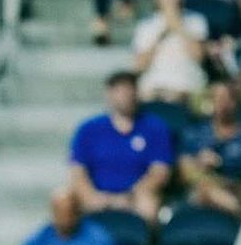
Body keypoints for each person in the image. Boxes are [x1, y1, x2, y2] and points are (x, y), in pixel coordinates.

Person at [69, 70, 173, 224]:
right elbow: (78, 172)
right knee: (64, 199)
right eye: (120, 90)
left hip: (136, 196)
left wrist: (131, 195)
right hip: (98, 195)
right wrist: (93, 196)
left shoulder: (155, 128)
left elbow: (160, 173)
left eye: (130, 90)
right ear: (109, 94)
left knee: (148, 205)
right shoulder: (88, 129)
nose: (126, 95)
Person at [179, 81, 241, 217]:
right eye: (217, 98)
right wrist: (199, 163)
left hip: (233, 191)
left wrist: (222, 168)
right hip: (197, 191)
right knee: (202, 189)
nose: (222, 104)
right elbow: (184, 172)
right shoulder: (194, 133)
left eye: (227, 98)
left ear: (236, 102)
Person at [133, 0, 209, 102]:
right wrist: (162, 34)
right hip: (154, 90)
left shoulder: (196, 21)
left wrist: (178, 26)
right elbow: (139, 66)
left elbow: (198, 56)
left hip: (187, 88)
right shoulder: (145, 26)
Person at [18, 188, 119, 245]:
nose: (64, 219)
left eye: (69, 212)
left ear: (78, 212)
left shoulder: (98, 240)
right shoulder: (39, 239)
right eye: (59, 212)